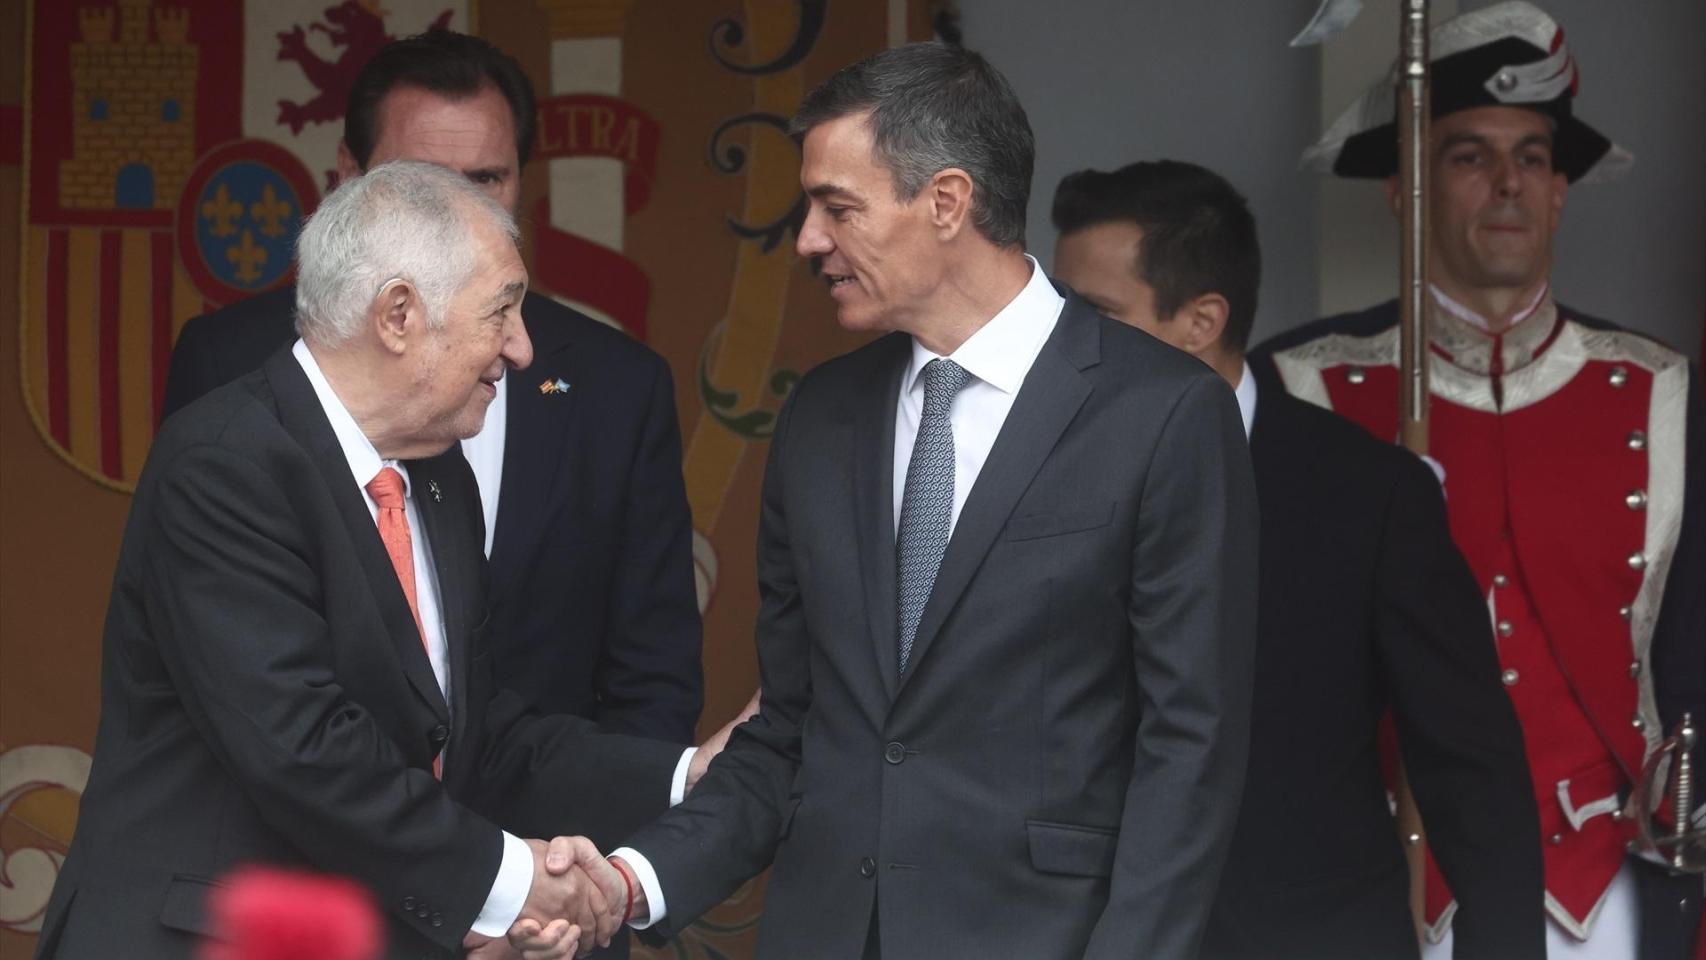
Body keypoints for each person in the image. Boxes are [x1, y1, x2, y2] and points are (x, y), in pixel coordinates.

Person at [523, 41, 1259, 960]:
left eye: (839, 207)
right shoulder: (822, 415)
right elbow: (790, 728)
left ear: (946, 202)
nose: (808, 241)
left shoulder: (1162, 413)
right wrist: (631, 882)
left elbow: (1190, 750)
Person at [33, 162, 689, 959]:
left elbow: (474, 734)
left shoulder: (438, 476)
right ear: (399, 316)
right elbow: (306, 749)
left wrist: (685, 776)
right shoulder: (223, 464)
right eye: (502, 311)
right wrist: (518, 879)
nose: (521, 349)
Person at [1251, 4, 1705, 957]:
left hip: (1608, 885)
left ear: (1560, 190)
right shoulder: (1303, 383)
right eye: (1468, 156)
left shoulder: (1660, 386)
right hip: (1382, 888)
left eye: (1532, 157)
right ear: (1403, 188)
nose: (1507, 185)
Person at [1052, 159, 1545, 959]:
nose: (1057, 343)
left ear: (1201, 319)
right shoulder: (1026, 480)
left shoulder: (1371, 495)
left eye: (1093, 312)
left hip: (1312, 937)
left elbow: (1469, 761)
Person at [161, 31, 704, 747]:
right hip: (290, 837)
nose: (456, 214)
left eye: (485, 181)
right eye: (420, 183)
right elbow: (221, 674)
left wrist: (611, 835)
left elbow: (649, 680)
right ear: (348, 177)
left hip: (544, 834)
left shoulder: (617, 384)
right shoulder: (230, 366)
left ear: (521, 181)